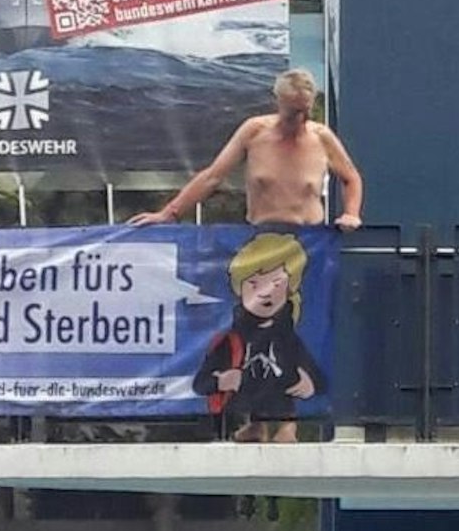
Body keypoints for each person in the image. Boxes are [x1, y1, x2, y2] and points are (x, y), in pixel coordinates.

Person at [128, 70, 364, 231]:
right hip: (260, 238)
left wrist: (351, 213)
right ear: (278, 102)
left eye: (304, 112)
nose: (299, 119)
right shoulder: (254, 131)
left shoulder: (322, 137)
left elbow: (351, 178)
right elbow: (213, 177)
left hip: (309, 241)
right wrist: (169, 214)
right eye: (293, 112)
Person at [193, 234, 326, 443]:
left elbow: (316, 374)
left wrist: (310, 382)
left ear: (289, 288)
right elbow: (200, 383)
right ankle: (255, 425)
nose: (265, 293)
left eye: (276, 283)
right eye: (254, 284)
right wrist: (220, 380)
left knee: (283, 376)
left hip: (282, 399)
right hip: (244, 401)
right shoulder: (231, 340)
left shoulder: (288, 339)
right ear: (240, 289)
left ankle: (288, 426)